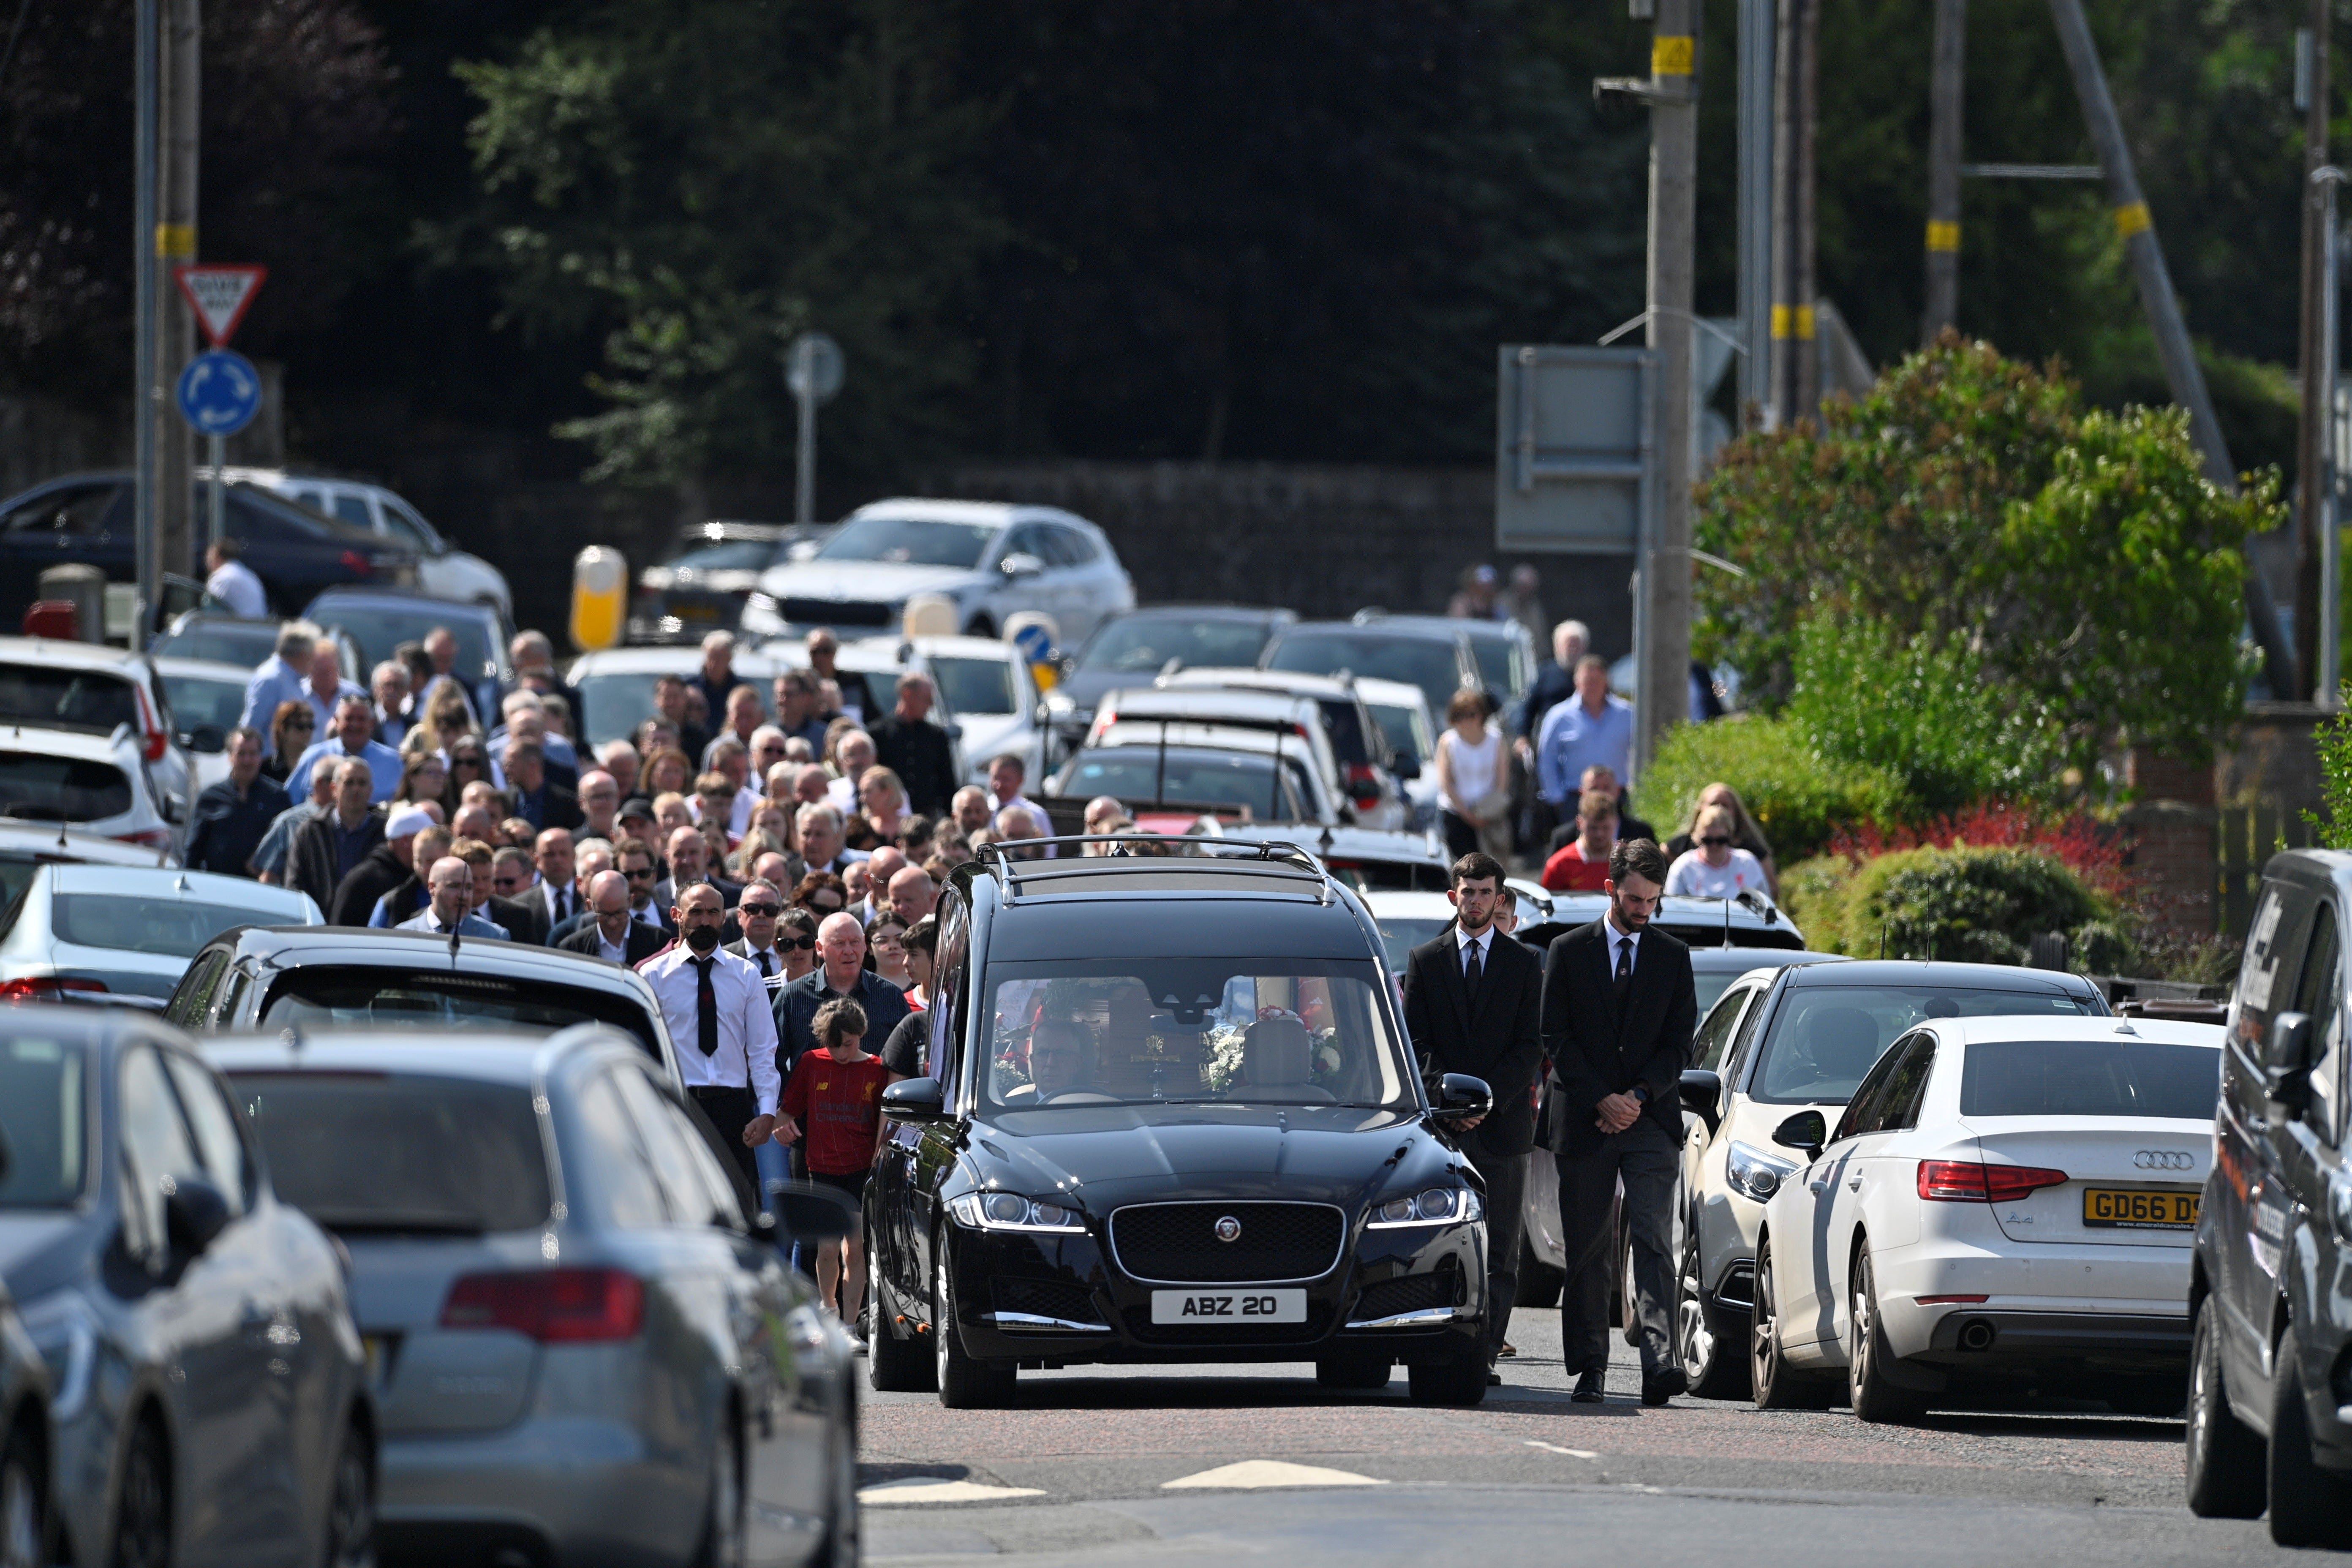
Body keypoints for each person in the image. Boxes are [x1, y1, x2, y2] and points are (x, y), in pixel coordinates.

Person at [1541, 838, 1696, 1406]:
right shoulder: (1568, 950)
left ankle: (1659, 1359)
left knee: (1655, 1238)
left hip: (1650, 1117)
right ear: (1610, 889)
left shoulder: (1672, 957)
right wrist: (1601, 1098)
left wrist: (1634, 1096)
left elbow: (1679, 1043)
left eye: (1653, 901)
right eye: (1634, 899)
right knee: (1588, 1245)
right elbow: (1556, 1035)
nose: (1643, 910)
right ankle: (1591, 1367)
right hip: (1585, 1119)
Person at [1399, 852, 1544, 1380]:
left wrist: (1484, 1103)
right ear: (1453, 896)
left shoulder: (1525, 963)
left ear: (1500, 898)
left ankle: (1483, 1353)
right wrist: (1450, 1102)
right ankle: (1441, 1346)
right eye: (1469, 891)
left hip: (1503, 1129)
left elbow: (1530, 1047)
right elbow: (1416, 1043)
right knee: (1443, 1241)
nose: (1477, 901)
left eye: (1487, 892)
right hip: (1443, 1129)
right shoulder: (1426, 959)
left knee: (1501, 1251)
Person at [640, 880, 785, 1189]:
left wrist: (768, 1109)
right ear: (677, 915)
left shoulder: (746, 975)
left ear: (724, 918)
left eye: (712, 912)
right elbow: (644, 1049)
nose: (705, 921)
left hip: (733, 1108)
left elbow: (762, 1050)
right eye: (696, 912)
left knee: (736, 1200)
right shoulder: (653, 976)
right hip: (678, 1104)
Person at [774, 996, 887, 1330]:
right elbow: (786, 1111)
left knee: (854, 1246)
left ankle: (851, 1324)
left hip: (860, 1168)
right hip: (822, 1166)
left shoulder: (877, 1069)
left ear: (862, 1033)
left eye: (849, 1045)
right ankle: (829, 1309)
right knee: (826, 1246)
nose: (841, 1054)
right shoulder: (811, 1062)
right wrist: (783, 1127)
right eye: (834, 1046)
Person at [774, 911, 911, 1078]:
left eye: (855, 942)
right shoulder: (792, 997)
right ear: (819, 948)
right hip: (812, 1103)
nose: (849, 951)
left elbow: (907, 1062)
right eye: (839, 943)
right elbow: (772, 1061)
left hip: (872, 1101)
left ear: (864, 945)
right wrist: (789, 1100)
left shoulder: (890, 997)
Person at [1536, 655, 1635, 822]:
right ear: (1576, 683)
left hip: (1618, 797)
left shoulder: (1627, 714)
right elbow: (1547, 758)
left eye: (1596, 681)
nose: (1592, 687)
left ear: (1606, 682)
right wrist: (1557, 798)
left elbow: (1643, 750)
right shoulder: (1559, 716)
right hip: (1575, 799)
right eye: (1587, 681)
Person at [183, 726, 288, 878]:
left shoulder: (277, 798)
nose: (247, 761)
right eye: (241, 754)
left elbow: (287, 847)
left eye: (253, 754)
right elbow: (193, 850)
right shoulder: (211, 797)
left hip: (262, 889)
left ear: (260, 757)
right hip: (219, 884)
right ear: (231, 757)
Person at [286, 759, 383, 914]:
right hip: (320, 926)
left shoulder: (384, 833)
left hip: (369, 928)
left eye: (362, 783)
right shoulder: (311, 832)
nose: (356, 789)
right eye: (349, 783)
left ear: (371, 790)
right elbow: (295, 883)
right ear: (334, 788)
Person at [1434, 688, 1510, 862]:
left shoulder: (1496, 740)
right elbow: (1445, 783)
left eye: (1472, 714)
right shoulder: (1448, 742)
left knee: (1489, 869)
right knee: (1461, 869)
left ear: (1482, 715)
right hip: (1456, 814)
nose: (1467, 721)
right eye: (1461, 716)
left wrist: (1489, 810)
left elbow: (1502, 780)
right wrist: (1467, 814)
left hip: (1489, 815)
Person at [868, 672, 958, 817]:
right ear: (907, 695)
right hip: (889, 815)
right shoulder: (879, 734)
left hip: (927, 816)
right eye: (926, 699)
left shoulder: (936, 736)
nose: (931, 705)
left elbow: (947, 782)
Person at [1663, 782, 1778, 895]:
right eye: (1707, 840)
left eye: (1721, 841)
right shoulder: (1683, 863)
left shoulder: (1749, 860)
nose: (1714, 846)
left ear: (1730, 836)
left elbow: (1767, 899)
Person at [331, 803, 433, 926]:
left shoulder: (418, 879)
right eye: (425, 839)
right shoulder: (362, 881)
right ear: (406, 841)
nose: (432, 845)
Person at [289, 694, 403, 803]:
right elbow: (290, 800)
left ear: (372, 723)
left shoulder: (394, 762)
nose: (355, 725)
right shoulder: (313, 757)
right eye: (349, 719)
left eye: (361, 719)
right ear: (337, 721)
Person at [252, 759, 340, 885]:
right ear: (320, 783)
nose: (345, 789)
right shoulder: (290, 823)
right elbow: (266, 875)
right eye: (340, 782)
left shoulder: (348, 824)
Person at [1514, 621, 1589, 770]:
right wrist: (1522, 737)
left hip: (1584, 740)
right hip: (1550, 740)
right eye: (1568, 644)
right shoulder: (1547, 674)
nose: (1572, 649)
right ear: (1558, 647)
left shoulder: (1592, 674)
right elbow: (1528, 708)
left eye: (1577, 644)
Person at [558, 869, 669, 966]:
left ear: (630, 901)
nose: (613, 923)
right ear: (590, 906)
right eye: (604, 914)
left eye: (619, 913)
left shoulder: (659, 942)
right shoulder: (573, 949)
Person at [238, 623, 317, 757]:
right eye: (312, 655)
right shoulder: (271, 679)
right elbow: (252, 727)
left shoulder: (294, 680)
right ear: (302, 655)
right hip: (267, 766)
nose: (313, 661)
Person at [878, 915, 938, 1081]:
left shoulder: (967, 1008)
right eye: (905, 954)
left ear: (938, 956)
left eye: (913, 955)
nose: (905, 962)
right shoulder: (901, 1003)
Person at [396, 855, 507, 939]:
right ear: (432, 888)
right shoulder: (403, 935)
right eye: (454, 886)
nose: (463, 896)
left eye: (469, 888)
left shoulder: (494, 936)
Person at [367, 825, 452, 927]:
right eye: (418, 861)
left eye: (431, 861)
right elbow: (375, 939)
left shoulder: (467, 897)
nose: (423, 868)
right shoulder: (393, 902)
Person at [1541, 790, 1620, 893]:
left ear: (1616, 823)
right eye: (1593, 828)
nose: (1600, 834)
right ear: (1579, 823)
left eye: (1606, 828)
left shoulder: (1628, 862)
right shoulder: (1559, 865)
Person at [503, 740, 583, 834]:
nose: (506, 770)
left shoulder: (567, 803)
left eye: (511, 765)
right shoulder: (506, 801)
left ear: (532, 766)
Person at [725, 878, 792, 984]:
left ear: (780, 915)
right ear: (740, 916)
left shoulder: (794, 954)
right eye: (752, 909)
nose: (761, 915)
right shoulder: (723, 959)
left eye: (770, 910)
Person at [804, 628, 877, 724]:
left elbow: (872, 716)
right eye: (815, 651)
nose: (820, 657)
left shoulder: (854, 682)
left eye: (826, 651)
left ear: (835, 651)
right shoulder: (803, 683)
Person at [986, 754, 1053, 840]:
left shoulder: (1036, 814)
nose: (999, 785)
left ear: (1020, 780)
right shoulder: (982, 809)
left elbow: (1049, 848)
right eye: (995, 778)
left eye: (1006, 779)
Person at [202, 536, 268, 618]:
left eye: (209, 557)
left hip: (239, 628)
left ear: (217, 557)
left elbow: (208, 610)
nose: (207, 561)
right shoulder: (248, 575)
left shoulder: (221, 578)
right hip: (259, 627)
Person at [531, 827, 579, 933]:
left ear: (575, 857)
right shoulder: (523, 906)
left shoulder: (590, 901)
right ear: (537, 860)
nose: (558, 860)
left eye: (564, 853)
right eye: (550, 854)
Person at [260, 700, 313, 784]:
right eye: (300, 727)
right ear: (282, 729)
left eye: (311, 726)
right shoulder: (265, 768)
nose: (307, 732)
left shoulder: (317, 763)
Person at [370, 661, 411, 749]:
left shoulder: (412, 725)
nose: (392, 690)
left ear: (406, 691)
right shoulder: (366, 722)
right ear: (376, 690)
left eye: (398, 686)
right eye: (387, 685)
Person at [868, 913, 913, 990]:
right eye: (882, 941)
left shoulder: (927, 983)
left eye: (899, 939)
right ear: (869, 948)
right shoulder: (861, 987)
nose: (892, 946)